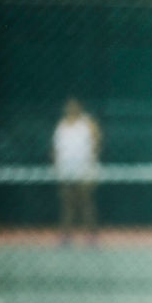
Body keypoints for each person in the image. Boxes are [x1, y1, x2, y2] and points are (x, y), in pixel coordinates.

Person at [52, 97, 102, 245]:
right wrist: (56, 166)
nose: (71, 109)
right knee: (67, 204)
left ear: (80, 108)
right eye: (68, 106)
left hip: (84, 169)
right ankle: (66, 236)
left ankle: (91, 237)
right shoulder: (61, 125)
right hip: (66, 170)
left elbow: (97, 142)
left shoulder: (88, 123)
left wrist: (91, 162)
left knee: (86, 203)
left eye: (74, 106)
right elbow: (55, 149)